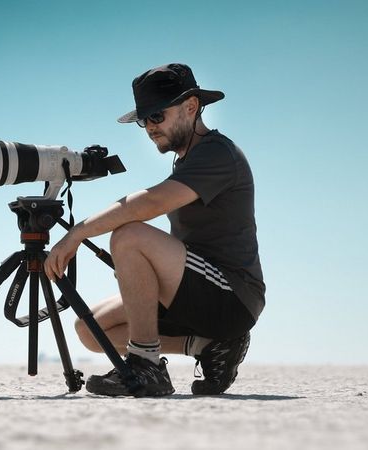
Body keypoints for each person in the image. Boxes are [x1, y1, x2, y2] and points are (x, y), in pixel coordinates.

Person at [43, 63, 265, 397]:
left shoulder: (218, 153)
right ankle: (206, 346)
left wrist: (78, 233)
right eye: (144, 120)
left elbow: (148, 203)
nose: (149, 127)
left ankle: (146, 364)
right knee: (90, 329)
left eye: (157, 116)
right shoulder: (186, 160)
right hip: (196, 291)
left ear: (191, 107)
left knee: (129, 235)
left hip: (232, 295)